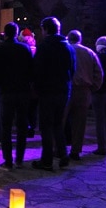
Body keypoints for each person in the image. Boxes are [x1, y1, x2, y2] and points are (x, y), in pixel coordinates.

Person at [32, 16, 76, 171]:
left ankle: (47, 160)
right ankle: (63, 154)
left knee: (46, 126)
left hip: (48, 91)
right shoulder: (69, 47)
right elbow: (72, 69)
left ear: (45, 29)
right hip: (64, 91)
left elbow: (37, 69)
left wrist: (36, 88)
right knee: (58, 124)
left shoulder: (45, 46)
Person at [0, 22, 34, 169]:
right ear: (16, 33)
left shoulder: (0, 49)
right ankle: (20, 159)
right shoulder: (25, 48)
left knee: (6, 126)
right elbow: (31, 68)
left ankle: (8, 160)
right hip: (23, 91)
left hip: (7, 91)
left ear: (5, 33)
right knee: (21, 126)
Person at [65, 30, 103, 160]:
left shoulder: (66, 49)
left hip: (67, 89)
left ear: (69, 38)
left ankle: (57, 148)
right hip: (84, 90)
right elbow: (98, 73)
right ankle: (76, 150)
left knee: (60, 120)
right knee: (79, 123)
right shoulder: (89, 52)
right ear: (80, 39)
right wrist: (93, 88)